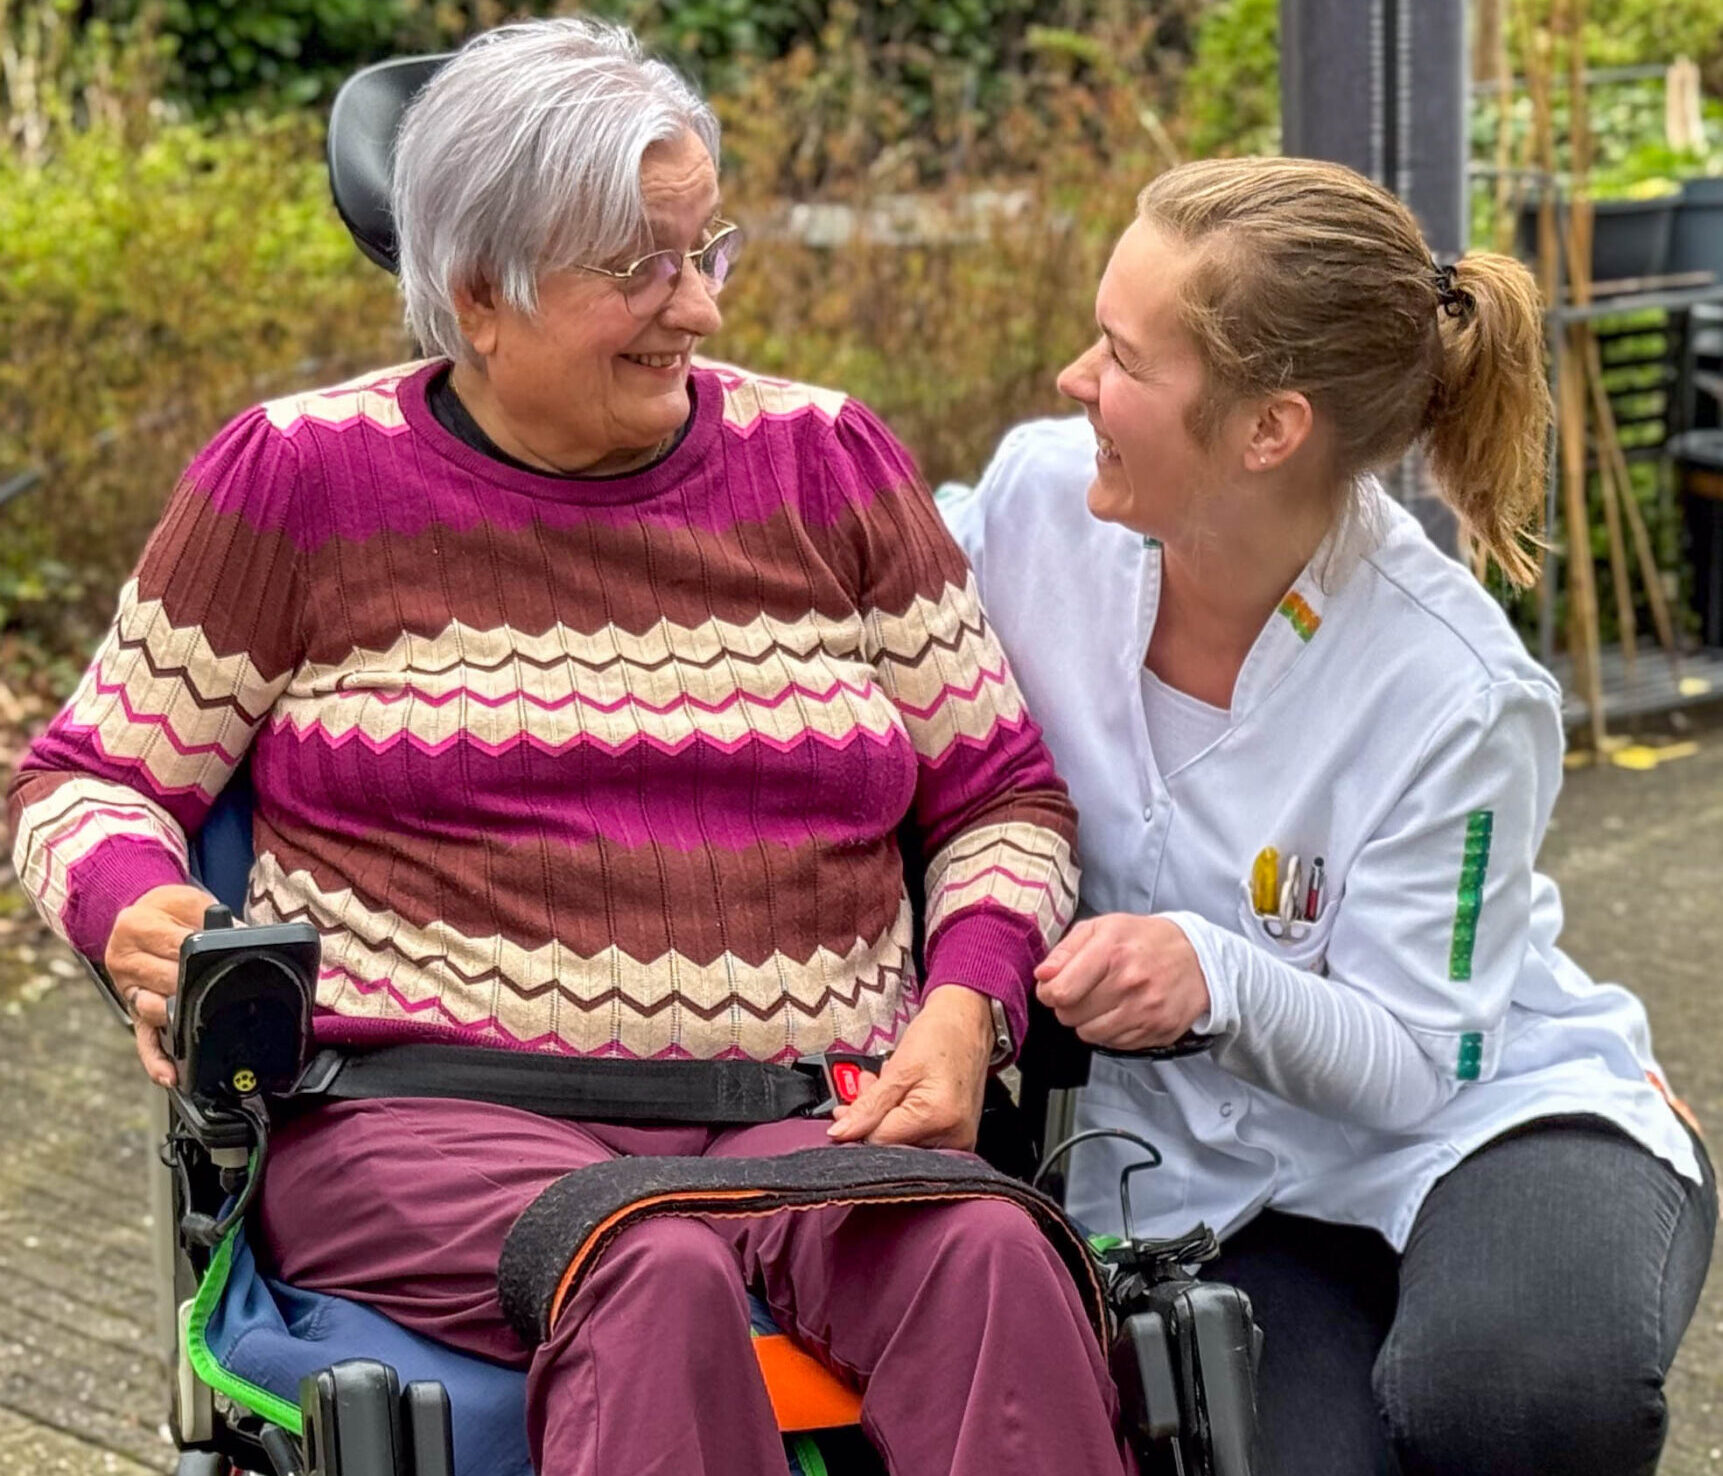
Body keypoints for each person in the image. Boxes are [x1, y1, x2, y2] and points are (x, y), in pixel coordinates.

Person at [5, 20, 1135, 1476]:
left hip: (807, 1114)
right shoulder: (298, 478)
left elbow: (1004, 802)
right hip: (436, 1123)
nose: (700, 311)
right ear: (480, 293)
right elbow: (83, 781)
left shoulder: (828, 465)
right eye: (640, 269)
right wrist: (137, 910)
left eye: (705, 249)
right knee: (647, 1265)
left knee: (990, 1254)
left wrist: (967, 1008)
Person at [941, 156, 1716, 1476]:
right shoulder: (1034, 506)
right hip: (1215, 1175)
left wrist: (1216, 977)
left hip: (1482, 1116)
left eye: (1123, 355)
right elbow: (867, 626)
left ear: (1268, 429)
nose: (1078, 380)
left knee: (1511, 1400)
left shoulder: (1454, 690)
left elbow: (1420, 1059)